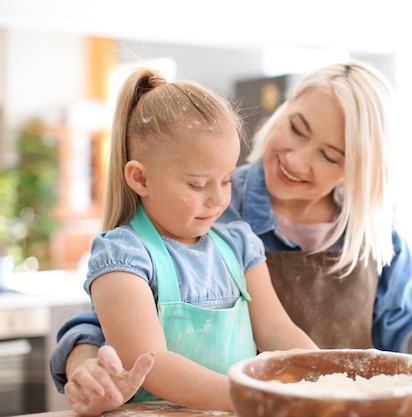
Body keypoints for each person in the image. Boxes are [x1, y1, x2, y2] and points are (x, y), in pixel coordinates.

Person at [51, 59, 412, 414]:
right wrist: (83, 361)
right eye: (296, 128)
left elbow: (390, 351)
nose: (297, 160)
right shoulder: (211, 213)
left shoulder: (372, 233)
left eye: (330, 155)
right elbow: (114, 322)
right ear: (283, 112)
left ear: (356, 169)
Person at [56, 67, 318, 416]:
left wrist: (324, 373)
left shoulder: (239, 245)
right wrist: (252, 397)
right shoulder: (124, 256)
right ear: (140, 178)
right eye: (197, 184)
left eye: (226, 180)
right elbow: (152, 362)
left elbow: (276, 330)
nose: (217, 200)